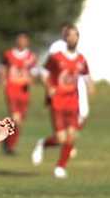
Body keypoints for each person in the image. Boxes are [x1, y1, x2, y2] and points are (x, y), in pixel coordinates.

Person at [31, 24, 94, 178]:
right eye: (70, 35)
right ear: (65, 38)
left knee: (72, 136)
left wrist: (91, 86)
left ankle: (60, 167)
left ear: (78, 38)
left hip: (73, 102)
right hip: (58, 101)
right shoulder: (56, 57)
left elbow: (86, 76)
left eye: (75, 35)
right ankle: (42, 144)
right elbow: (44, 73)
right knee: (60, 139)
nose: (73, 38)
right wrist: (49, 87)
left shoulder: (81, 59)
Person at [0, 33, 37, 154]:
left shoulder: (31, 56)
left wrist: (31, 79)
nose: (22, 42)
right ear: (16, 41)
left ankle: (6, 139)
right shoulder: (8, 54)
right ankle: (10, 147)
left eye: (25, 40)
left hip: (24, 91)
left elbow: (34, 71)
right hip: (12, 89)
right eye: (20, 40)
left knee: (18, 121)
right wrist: (3, 79)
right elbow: (2, 67)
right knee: (16, 118)